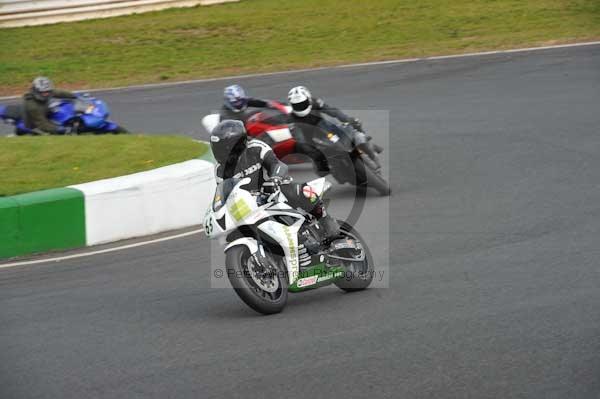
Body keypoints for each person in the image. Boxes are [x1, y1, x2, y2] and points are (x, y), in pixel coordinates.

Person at [210, 119, 339, 240]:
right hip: (251, 204)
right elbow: (225, 192)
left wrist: (275, 179)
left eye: (223, 148)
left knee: (303, 191)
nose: (220, 153)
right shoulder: (220, 170)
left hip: (276, 189)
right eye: (217, 149)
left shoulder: (256, 148)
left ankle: (325, 220)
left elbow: (277, 164)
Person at [286, 86, 382, 173]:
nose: (300, 107)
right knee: (320, 169)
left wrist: (347, 119)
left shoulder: (316, 102)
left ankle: (366, 143)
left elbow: (332, 111)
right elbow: (298, 137)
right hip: (312, 140)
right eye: (297, 105)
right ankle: (338, 170)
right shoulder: (291, 119)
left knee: (354, 123)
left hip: (325, 128)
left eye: (303, 103)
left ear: (309, 100)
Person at [220, 84, 288, 122]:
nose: (240, 103)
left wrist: (279, 105)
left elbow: (261, 102)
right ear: (228, 101)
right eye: (236, 102)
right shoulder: (225, 113)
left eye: (241, 100)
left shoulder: (244, 100)